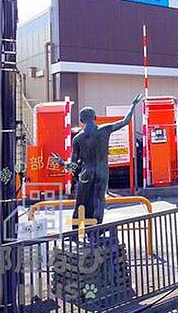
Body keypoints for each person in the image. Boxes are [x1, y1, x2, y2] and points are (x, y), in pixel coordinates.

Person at [53, 94, 143, 226]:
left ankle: (76, 228)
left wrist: (61, 163)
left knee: (81, 201)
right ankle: (95, 229)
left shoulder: (77, 139)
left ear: (81, 120)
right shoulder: (105, 130)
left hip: (86, 172)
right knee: (99, 200)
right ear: (95, 118)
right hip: (102, 171)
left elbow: (73, 165)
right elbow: (126, 121)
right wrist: (133, 105)